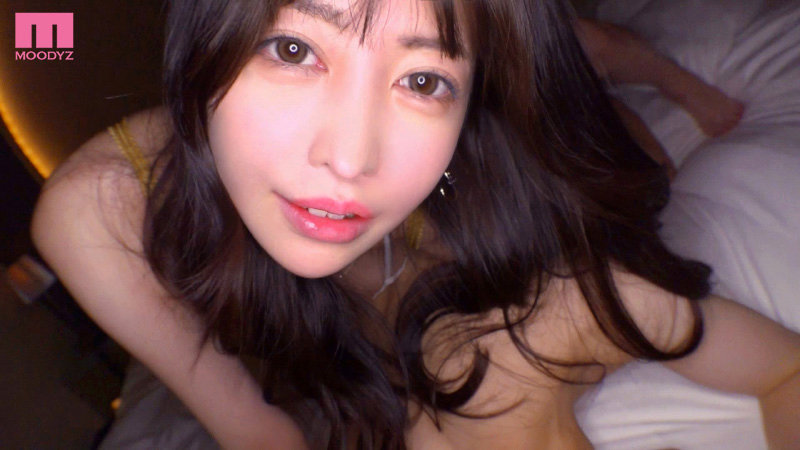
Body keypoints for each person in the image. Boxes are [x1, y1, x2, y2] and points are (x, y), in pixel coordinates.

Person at [31, 0, 800, 448]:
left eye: (423, 80)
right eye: (293, 48)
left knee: (612, 116)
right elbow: (254, 429)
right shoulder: (96, 210)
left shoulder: (572, 299)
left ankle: (663, 84)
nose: (350, 157)